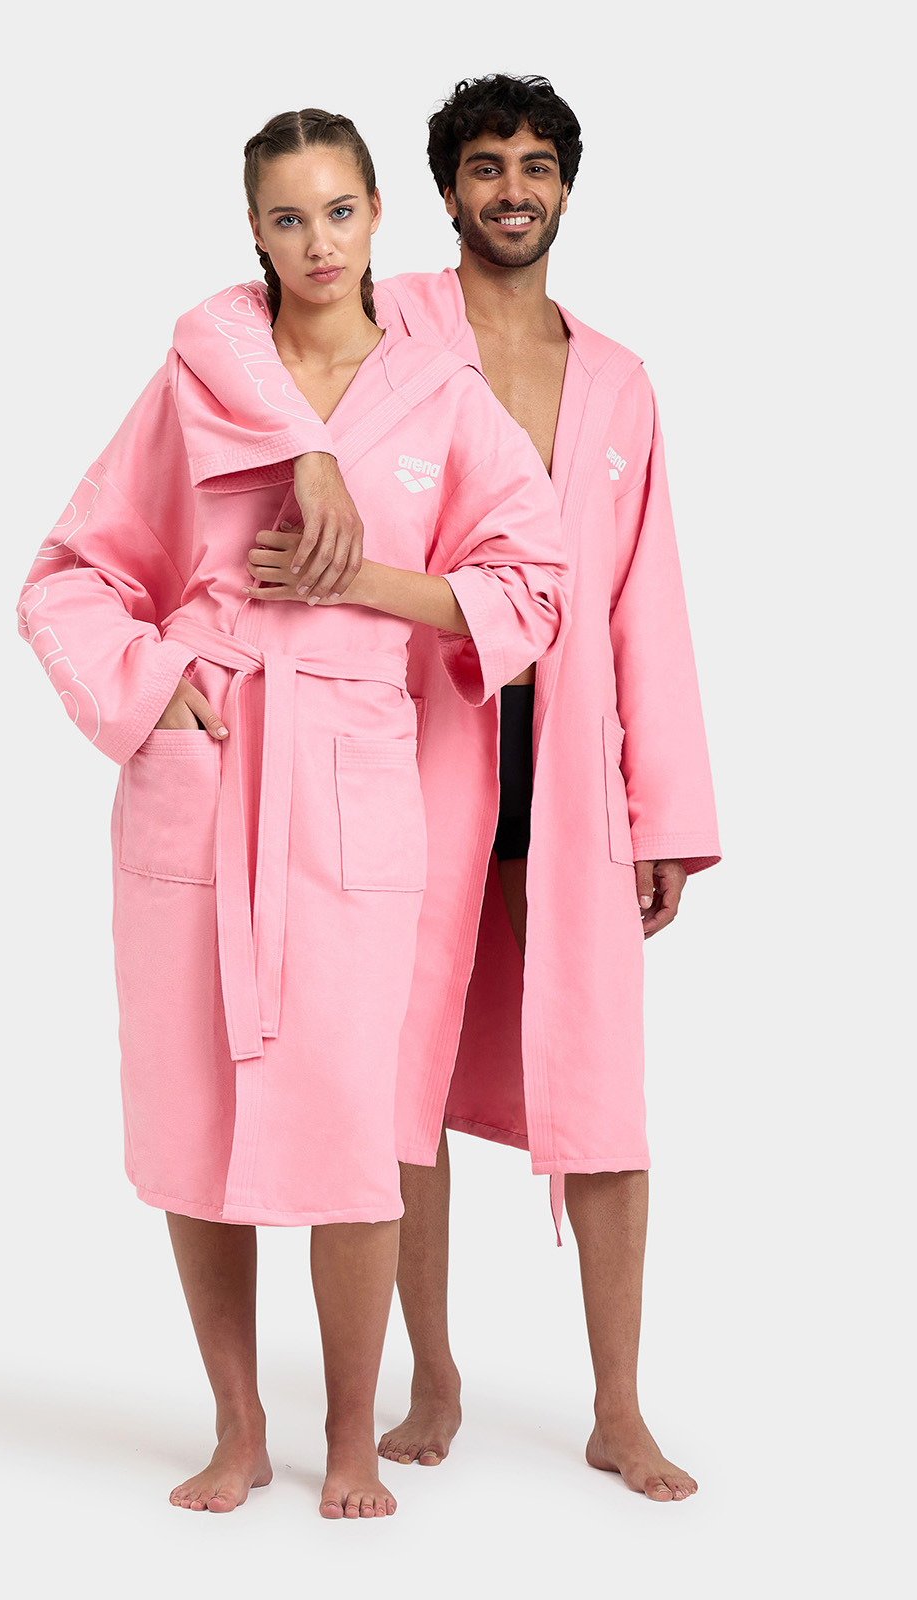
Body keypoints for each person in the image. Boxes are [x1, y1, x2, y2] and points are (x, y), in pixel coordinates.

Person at [17, 107, 569, 1520]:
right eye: (286, 218)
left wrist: (365, 585)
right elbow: (71, 575)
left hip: (352, 779)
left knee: (354, 1121)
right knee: (193, 1109)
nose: (316, 243)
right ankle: (238, 1424)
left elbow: (533, 583)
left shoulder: (440, 395)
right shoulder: (201, 385)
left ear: (379, 217)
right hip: (207, 769)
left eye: (338, 212)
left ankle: (348, 1438)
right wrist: (154, 688)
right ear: (253, 233)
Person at [176, 75, 721, 1503]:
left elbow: (643, 605)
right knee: (395, 1071)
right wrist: (308, 453)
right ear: (442, 192)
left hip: (573, 757)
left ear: (566, 187)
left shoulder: (619, 381)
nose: (512, 189)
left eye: (535, 166)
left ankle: (618, 1407)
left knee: (600, 1082)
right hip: (410, 741)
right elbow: (228, 330)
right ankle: (429, 1378)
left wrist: (664, 810)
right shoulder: (390, 320)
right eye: (485, 166)